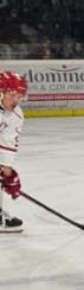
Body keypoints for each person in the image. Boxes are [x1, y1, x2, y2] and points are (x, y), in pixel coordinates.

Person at [0, 71, 28, 233]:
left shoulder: (16, 115)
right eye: (12, 95)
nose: (16, 100)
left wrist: (7, 172)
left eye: (19, 96)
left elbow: (8, 142)